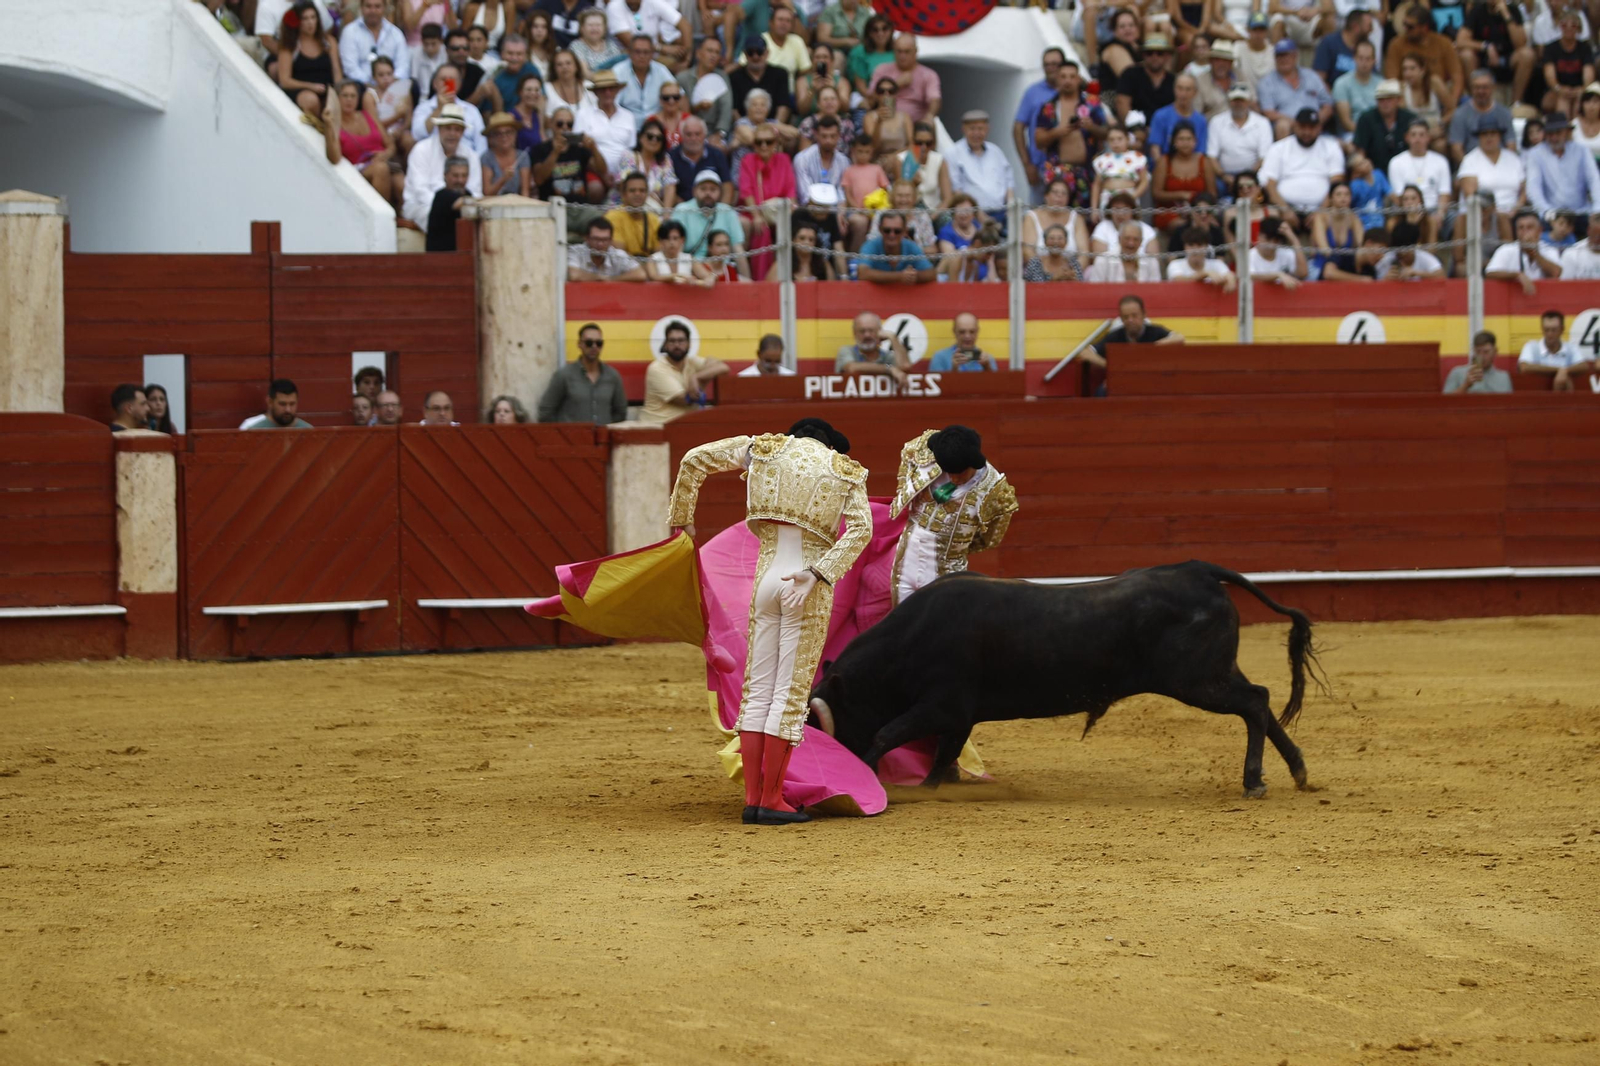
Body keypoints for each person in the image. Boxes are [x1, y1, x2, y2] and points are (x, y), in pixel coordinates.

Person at [666, 418, 872, 825]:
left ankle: (753, 799)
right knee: (788, 694)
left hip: (765, 580)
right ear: (830, 445)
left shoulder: (762, 449)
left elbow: (693, 459)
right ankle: (772, 799)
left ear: (793, 436)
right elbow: (861, 531)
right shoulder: (843, 469)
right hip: (806, 584)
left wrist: (682, 517)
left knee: (757, 689)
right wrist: (818, 573)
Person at [888, 425, 1017, 609]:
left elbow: (989, 540)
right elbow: (908, 454)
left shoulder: (995, 492)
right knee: (902, 625)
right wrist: (903, 489)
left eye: (960, 472)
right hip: (904, 565)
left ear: (974, 462)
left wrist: (956, 547)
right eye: (949, 472)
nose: (954, 479)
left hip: (948, 574)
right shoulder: (925, 453)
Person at [1034, 63, 1109, 207]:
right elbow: (1038, 141)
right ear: (1057, 79)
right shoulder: (1048, 107)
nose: (1067, 81)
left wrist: (1091, 126)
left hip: (1087, 171)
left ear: (1078, 79)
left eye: (1072, 77)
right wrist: (1059, 131)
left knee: (1087, 218)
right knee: (1058, 215)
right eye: (1063, 77)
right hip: (1058, 173)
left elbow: (1106, 133)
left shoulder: (1092, 104)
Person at [1260, 108, 1346, 230]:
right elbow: (1270, 184)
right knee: (1271, 215)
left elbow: (1336, 183)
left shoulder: (1331, 147)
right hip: (1285, 208)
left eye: (1311, 127)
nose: (1307, 132)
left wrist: (1321, 211)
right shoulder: (1279, 148)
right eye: (1302, 127)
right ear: (1294, 126)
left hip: (1322, 209)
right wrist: (1286, 210)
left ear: (1319, 128)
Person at [404, 105, 485, 233]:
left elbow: (475, 191)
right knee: (441, 218)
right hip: (421, 206)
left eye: (457, 129)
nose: (452, 134)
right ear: (439, 129)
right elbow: (420, 191)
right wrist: (448, 206)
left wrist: (459, 206)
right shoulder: (421, 150)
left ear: (462, 132)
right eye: (448, 128)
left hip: (461, 206)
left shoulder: (471, 155)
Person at [641, 319, 731, 422]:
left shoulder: (691, 361)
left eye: (681, 340)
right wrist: (702, 379)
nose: (677, 345)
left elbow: (724, 368)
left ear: (689, 344)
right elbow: (685, 399)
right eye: (672, 341)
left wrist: (696, 377)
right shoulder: (657, 368)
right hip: (658, 428)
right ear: (665, 344)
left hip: (685, 426)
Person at [1525, 113, 1600, 233]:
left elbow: (1594, 180)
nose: (1554, 137)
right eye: (1550, 133)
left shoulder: (1582, 151)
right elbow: (1533, 188)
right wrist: (1547, 211)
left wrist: (1597, 210)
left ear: (1566, 132)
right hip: (1551, 214)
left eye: (1558, 133)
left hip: (1580, 212)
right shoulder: (1535, 154)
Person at [538, 323, 629, 422]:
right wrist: (565, 434)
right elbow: (545, 412)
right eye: (589, 343)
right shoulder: (564, 375)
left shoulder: (612, 376)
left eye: (598, 343)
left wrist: (606, 431)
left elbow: (620, 412)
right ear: (579, 344)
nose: (594, 347)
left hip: (603, 437)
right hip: (572, 436)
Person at [1458, 0, 1537, 108]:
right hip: (1483, 59)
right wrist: (1486, 46)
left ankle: (1516, 103)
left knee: (1527, 55)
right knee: (1466, 55)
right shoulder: (1477, 10)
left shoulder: (1513, 10)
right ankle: (1476, 100)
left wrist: (1506, 14)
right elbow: (1460, 40)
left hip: (1508, 59)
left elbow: (1521, 43)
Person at [1014, 48, 1070, 194]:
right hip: (1040, 167)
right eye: (1046, 65)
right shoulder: (1032, 92)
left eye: (1055, 64)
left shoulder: (1074, 90)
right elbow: (1018, 128)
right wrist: (1027, 165)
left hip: (1070, 166)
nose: (1050, 68)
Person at [1386, 4, 1466, 105]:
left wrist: (1452, 103)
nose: (1405, 29)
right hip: (1407, 98)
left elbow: (1457, 77)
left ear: (1424, 28)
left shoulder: (1443, 43)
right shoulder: (1396, 45)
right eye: (1404, 24)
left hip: (1439, 96)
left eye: (1410, 27)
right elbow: (1392, 80)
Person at [1152, 120, 1218, 238]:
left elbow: (1212, 193)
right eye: (1181, 139)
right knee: (1181, 225)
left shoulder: (1204, 161)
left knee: (1213, 225)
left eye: (1189, 139)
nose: (1185, 143)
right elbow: (1156, 193)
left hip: (1200, 211)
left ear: (1195, 141)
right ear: (1174, 142)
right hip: (1170, 212)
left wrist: (1202, 210)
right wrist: (1181, 195)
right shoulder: (1164, 161)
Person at [1257, 38, 1334, 138]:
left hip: (1314, 124)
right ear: (1275, 58)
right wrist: (1298, 124)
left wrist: (1315, 121)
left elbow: (1328, 104)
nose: (1283, 59)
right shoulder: (1267, 82)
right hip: (1288, 127)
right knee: (1282, 126)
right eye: (1279, 56)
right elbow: (1268, 112)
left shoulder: (1311, 76)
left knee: (1340, 144)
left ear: (1295, 56)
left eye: (1286, 55)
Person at [530, 106, 608, 202]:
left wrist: (594, 148)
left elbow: (602, 170)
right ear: (551, 124)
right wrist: (555, 153)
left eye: (569, 124)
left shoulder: (579, 149)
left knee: (600, 217)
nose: (565, 127)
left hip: (580, 206)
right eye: (560, 124)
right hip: (553, 206)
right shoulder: (540, 149)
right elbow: (539, 179)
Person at [278, 2, 342, 117]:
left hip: (327, 88)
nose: (310, 23)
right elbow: (285, 80)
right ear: (297, 22)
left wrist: (339, 91)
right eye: (305, 19)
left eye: (313, 17)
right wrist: (310, 86)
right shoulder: (290, 46)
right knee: (310, 100)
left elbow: (336, 70)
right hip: (302, 90)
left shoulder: (328, 41)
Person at [1087, 294, 1185, 368]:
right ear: (1121, 318)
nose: (1130, 320)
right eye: (1126, 317)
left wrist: (1155, 346)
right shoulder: (1115, 336)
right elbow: (1085, 352)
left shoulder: (1154, 331)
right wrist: (1108, 366)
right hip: (1122, 379)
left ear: (1144, 315)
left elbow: (1179, 337)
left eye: (1134, 315)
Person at [945, 111, 1014, 216]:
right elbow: (956, 191)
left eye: (981, 129)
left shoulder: (996, 151)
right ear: (963, 129)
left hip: (1001, 212)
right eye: (972, 129)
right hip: (970, 216)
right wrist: (980, 216)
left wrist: (1011, 209)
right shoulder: (953, 153)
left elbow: (1009, 182)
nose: (976, 133)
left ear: (987, 129)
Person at [575, 68, 638, 178]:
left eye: (611, 89)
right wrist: (602, 174)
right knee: (596, 188)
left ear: (617, 90)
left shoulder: (628, 116)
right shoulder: (583, 114)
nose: (607, 93)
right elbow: (577, 149)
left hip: (625, 172)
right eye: (602, 89)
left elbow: (631, 149)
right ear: (595, 92)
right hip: (593, 169)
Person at [1388, 119, 1453, 224]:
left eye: (1421, 135)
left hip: (1434, 209)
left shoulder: (1441, 161)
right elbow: (1399, 196)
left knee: (1456, 218)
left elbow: (1444, 192)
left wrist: (1440, 214)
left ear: (1428, 138)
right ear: (1407, 138)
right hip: (1407, 210)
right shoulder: (1396, 162)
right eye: (1413, 135)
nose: (1417, 139)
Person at [673, 170, 748, 260]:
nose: (708, 193)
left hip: (722, 267)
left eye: (713, 189)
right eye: (703, 189)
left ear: (720, 192)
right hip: (691, 266)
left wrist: (745, 274)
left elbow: (738, 248)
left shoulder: (727, 211)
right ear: (694, 191)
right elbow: (676, 248)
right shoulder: (682, 210)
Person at [412, 64, 489, 151]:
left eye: (451, 80)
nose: (447, 83)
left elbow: (481, 143)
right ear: (435, 83)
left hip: (465, 160)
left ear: (459, 84)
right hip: (432, 159)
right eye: (443, 79)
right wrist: (438, 109)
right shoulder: (423, 108)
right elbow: (417, 135)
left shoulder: (471, 110)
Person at [1486, 209, 1566, 292]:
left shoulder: (1548, 250)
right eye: (1521, 228)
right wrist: (1517, 275)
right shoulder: (1506, 249)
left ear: (1539, 231)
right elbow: (1490, 273)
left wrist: (1535, 254)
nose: (1524, 232)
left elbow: (1556, 273)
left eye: (1529, 227)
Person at [870, 34, 942, 123]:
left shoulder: (928, 75)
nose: (902, 56)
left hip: (916, 124)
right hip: (884, 122)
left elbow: (934, 100)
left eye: (907, 52)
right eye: (899, 51)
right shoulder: (882, 70)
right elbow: (870, 101)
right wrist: (896, 84)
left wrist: (929, 117)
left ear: (915, 52)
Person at [1518, 308, 1595, 389]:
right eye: (1546, 330)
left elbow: (1584, 366)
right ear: (1542, 329)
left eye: (1554, 330)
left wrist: (1565, 371)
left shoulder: (1571, 348)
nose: (1550, 334)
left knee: (1564, 380)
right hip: (1536, 396)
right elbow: (1524, 367)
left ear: (1562, 329)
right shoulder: (1532, 346)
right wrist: (1561, 370)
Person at [1208, 85, 1273, 179]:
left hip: (1254, 175)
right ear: (1229, 102)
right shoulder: (1216, 121)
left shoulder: (1262, 123)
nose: (1238, 104)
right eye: (1234, 100)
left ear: (1249, 102)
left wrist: (1247, 178)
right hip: (1224, 175)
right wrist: (1224, 176)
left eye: (1242, 100)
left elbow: (1264, 157)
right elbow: (1211, 156)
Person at [1353, 78, 1418, 173]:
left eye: (1389, 99)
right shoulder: (1366, 119)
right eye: (1381, 100)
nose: (1385, 103)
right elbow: (1360, 151)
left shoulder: (1410, 119)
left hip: (1406, 170)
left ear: (1398, 100)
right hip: (1375, 172)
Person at [856, 210, 937, 284]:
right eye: (887, 230)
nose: (892, 235)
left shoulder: (911, 246)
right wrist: (899, 276)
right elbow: (862, 273)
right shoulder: (870, 246)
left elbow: (931, 273)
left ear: (905, 231)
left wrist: (912, 276)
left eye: (897, 231)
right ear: (880, 229)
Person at [342, 0, 412, 84]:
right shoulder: (350, 31)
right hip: (361, 86)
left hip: (392, 86)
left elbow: (403, 66)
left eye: (377, 6)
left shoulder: (395, 33)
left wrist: (390, 82)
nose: (373, 11)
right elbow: (350, 68)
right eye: (368, 6)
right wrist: (372, 83)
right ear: (361, 7)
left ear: (384, 8)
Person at [1540, 10, 1594, 115]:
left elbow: (1589, 74)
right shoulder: (1551, 48)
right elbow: (1549, 75)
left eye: (1573, 25)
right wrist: (1559, 88)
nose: (1568, 28)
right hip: (1558, 89)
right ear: (1560, 27)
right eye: (1564, 25)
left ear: (1578, 29)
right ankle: (1563, 129)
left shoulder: (1585, 48)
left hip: (1578, 88)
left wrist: (1582, 89)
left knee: (1580, 100)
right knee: (1562, 100)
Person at [669, 116, 732, 204]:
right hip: (681, 210)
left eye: (697, 134)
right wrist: (686, 208)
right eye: (689, 134)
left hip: (714, 209)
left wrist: (723, 210)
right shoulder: (671, 157)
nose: (693, 138)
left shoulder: (717, 155)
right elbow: (668, 189)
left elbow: (727, 186)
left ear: (704, 135)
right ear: (682, 136)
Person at [1309, 180, 1364, 279]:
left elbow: (1361, 245)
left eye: (1347, 194)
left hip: (1344, 267)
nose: (1343, 198)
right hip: (1321, 267)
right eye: (1338, 194)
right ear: (1331, 198)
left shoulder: (1354, 218)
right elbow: (1324, 249)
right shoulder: (1321, 217)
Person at [1116, 34, 1176, 123]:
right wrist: (1134, 128)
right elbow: (1122, 103)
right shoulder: (1130, 74)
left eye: (1159, 53)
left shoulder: (1173, 80)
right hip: (1136, 130)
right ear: (1143, 55)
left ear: (1167, 56)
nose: (1154, 57)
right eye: (1149, 53)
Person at [834, 311, 910, 381]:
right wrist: (889, 368)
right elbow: (852, 368)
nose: (867, 335)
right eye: (862, 331)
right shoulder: (847, 351)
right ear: (854, 333)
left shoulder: (887, 356)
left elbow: (905, 367)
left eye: (871, 330)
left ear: (880, 332)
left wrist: (893, 338)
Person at [568, 216, 649, 280]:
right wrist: (600, 278)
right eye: (596, 239)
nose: (600, 243)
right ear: (587, 238)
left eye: (605, 240)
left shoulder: (617, 254)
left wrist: (611, 279)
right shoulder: (576, 251)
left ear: (611, 240)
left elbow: (640, 274)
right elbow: (574, 275)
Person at [617, 35, 675, 121]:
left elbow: (679, 95)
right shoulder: (618, 71)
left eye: (646, 52)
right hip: (626, 124)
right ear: (629, 52)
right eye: (637, 52)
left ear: (652, 54)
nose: (642, 56)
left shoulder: (661, 70)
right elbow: (612, 104)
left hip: (657, 124)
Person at [1148, 72, 1207, 157]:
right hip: (1164, 166)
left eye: (1188, 89)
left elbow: (1200, 152)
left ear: (1195, 92)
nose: (1183, 94)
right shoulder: (1160, 116)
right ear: (1174, 89)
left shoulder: (1201, 121)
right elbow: (1155, 149)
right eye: (1180, 88)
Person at [1087, 220, 1164, 281]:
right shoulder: (1102, 260)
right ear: (1119, 239)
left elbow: (1155, 291)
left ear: (1141, 241)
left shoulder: (1151, 262)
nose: (1131, 243)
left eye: (1135, 239)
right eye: (1127, 238)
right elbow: (1096, 291)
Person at [426, 155, 475, 250]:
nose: (460, 180)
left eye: (464, 175)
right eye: (455, 176)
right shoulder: (442, 195)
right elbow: (460, 204)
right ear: (445, 175)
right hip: (441, 257)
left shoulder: (468, 194)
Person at [1332, 39, 1380, 136]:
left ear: (1374, 61)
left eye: (1368, 59)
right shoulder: (1341, 83)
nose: (1364, 63)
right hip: (1352, 134)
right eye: (1360, 58)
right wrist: (1367, 136)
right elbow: (1346, 122)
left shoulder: (1382, 84)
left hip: (1378, 132)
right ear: (1354, 58)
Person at [1167, 224, 1238, 289]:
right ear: (1185, 247)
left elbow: (1228, 275)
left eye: (1199, 245)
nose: (1195, 250)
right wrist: (1205, 273)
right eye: (1191, 245)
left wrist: (1230, 277)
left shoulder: (1217, 264)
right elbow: (1179, 280)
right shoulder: (1175, 264)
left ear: (1207, 247)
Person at [846, 14, 896, 101]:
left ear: (891, 30)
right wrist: (878, 99)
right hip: (867, 98)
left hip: (896, 98)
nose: (880, 33)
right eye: (875, 30)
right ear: (869, 33)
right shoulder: (860, 52)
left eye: (885, 29)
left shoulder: (898, 51)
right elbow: (861, 87)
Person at [1248, 215, 1309, 287]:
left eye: (1276, 240)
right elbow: (1249, 276)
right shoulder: (1249, 255)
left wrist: (1294, 240)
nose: (1271, 244)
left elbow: (1303, 273)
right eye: (1268, 239)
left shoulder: (1285, 252)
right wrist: (1278, 275)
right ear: (1259, 236)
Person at [793, 114, 848, 193]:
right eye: (824, 136)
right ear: (816, 135)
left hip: (836, 205)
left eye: (832, 136)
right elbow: (805, 194)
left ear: (839, 136)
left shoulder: (844, 162)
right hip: (808, 205)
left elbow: (842, 195)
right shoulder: (802, 159)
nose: (828, 140)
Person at [1444, 330, 1514, 392]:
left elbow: (1508, 404)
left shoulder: (1503, 377)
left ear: (1495, 351)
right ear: (1474, 351)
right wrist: (1466, 385)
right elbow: (1445, 402)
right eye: (1478, 351)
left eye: (1486, 352)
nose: (1481, 356)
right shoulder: (1458, 373)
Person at [926, 313, 999, 372]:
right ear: (954, 331)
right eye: (962, 332)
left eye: (972, 332)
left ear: (977, 332)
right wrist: (954, 370)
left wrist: (987, 368)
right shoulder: (940, 357)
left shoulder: (987, 359)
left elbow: (996, 388)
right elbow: (939, 388)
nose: (967, 336)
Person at [481, 111, 532, 196]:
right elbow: (487, 192)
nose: (504, 137)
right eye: (498, 133)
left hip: (517, 204)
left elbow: (525, 191)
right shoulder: (487, 157)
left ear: (515, 134)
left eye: (508, 132)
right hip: (493, 204)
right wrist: (503, 179)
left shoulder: (522, 156)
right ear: (492, 137)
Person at [864, 77, 914, 163]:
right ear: (876, 95)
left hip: (901, 160)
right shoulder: (869, 117)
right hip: (878, 161)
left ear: (896, 94)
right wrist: (879, 122)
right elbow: (873, 148)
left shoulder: (905, 117)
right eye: (881, 91)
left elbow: (912, 145)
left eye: (891, 91)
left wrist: (894, 156)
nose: (886, 94)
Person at [1375, 220, 1446, 279]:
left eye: (1405, 250)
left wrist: (1416, 273)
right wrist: (1385, 279)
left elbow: (1441, 275)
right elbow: (1374, 280)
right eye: (1398, 250)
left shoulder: (1423, 257)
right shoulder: (1387, 259)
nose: (1402, 254)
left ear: (1414, 246)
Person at [572, 9, 625, 75]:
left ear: (605, 28)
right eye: (590, 25)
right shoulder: (577, 46)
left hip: (614, 81)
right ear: (582, 28)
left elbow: (621, 68)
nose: (594, 28)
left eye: (598, 25)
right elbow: (584, 73)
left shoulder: (611, 44)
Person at [244, 379, 312, 429]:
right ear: (270, 402)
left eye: (292, 404)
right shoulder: (251, 428)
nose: (288, 410)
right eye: (282, 404)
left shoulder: (307, 430)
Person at [1559, 210, 1600, 275]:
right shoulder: (1572, 254)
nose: (1598, 241)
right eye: (1597, 236)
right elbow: (1566, 284)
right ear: (1589, 231)